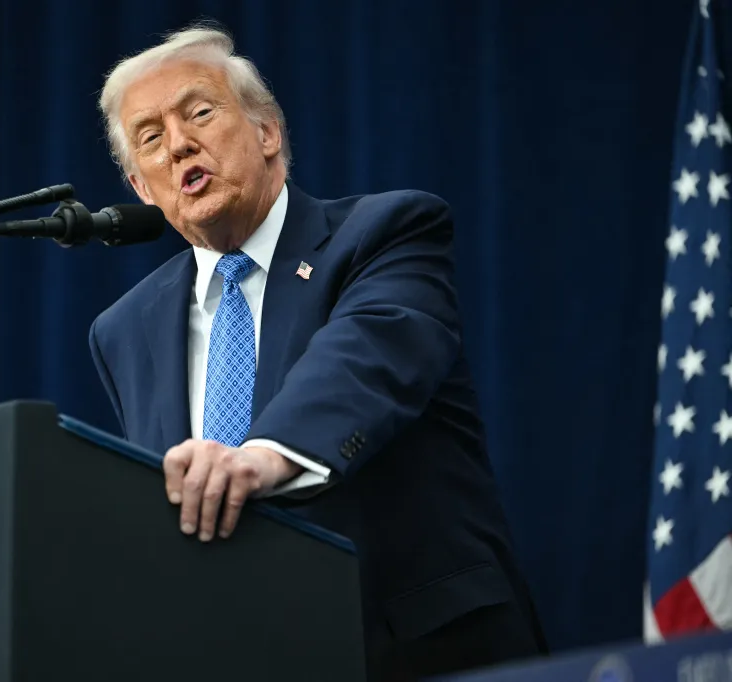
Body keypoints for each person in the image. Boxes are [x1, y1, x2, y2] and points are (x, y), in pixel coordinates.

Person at [88, 24, 549, 681]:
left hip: (422, 650)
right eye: (151, 139)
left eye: (199, 113)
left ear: (267, 132)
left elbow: (367, 359)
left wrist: (259, 458)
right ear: (141, 186)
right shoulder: (123, 329)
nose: (180, 144)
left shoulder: (385, 233)